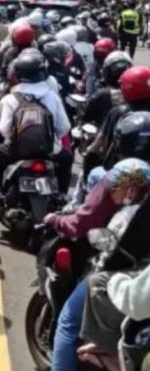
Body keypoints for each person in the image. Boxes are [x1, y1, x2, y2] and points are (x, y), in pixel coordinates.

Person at [45, 158, 150, 371]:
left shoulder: (128, 214)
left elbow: (84, 223)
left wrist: (54, 220)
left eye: (114, 189)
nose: (111, 193)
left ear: (130, 189)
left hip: (124, 281)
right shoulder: (137, 186)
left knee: (67, 321)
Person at [0, 49, 72, 202]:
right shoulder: (52, 96)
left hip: (16, 150)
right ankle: (61, 194)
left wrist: (18, 139)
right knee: (67, 157)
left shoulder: (11, 98)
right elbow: (64, 127)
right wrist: (49, 139)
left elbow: (4, 129)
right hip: (49, 150)